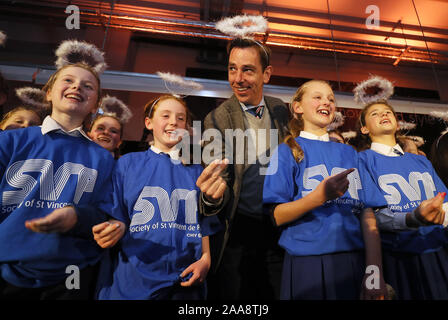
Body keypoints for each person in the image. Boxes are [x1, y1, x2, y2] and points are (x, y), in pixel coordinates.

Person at [262, 80, 388, 300]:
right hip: (306, 264)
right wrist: (318, 198)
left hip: (354, 262)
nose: (326, 102)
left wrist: (374, 272)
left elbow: (367, 215)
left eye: (331, 99)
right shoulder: (286, 151)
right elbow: (275, 215)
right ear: (297, 107)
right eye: (318, 97)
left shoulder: (350, 153)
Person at [93, 94, 227, 300]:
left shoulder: (196, 172)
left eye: (181, 118)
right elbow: (116, 213)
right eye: (166, 115)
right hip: (134, 280)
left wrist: (206, 259)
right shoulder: (127, 164)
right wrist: (114, 228)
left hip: (186, 280)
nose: (174, 121)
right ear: (149, 123)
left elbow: (203, 223)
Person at [203, 37, 289, 300]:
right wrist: (212, 196)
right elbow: (216, 179)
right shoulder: (217, 117)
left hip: (281, 225)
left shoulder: (280, 110)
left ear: (267, 74)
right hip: (238, 232)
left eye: (248, 70)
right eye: (232, 68)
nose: (237, 78)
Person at [357, 100, 448, 299]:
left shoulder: (421, 160)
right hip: (398, 257)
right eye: (375, 113)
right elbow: (372, 215)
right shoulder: (362, 160)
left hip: (437, 250)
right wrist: (413, 217)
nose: (383, 115)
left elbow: (445, 204)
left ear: (397, 124)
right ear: (364, 128)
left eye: (388, 112)